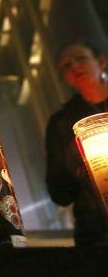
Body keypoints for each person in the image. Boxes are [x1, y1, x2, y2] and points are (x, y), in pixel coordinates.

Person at [45, 38, 108, 246]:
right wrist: (72, 163)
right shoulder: (61, 124)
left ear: (101, 62)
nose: (75, 66)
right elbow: (59, 193)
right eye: (66, 65)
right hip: (97, 231)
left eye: (81, 58)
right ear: (65, 77)